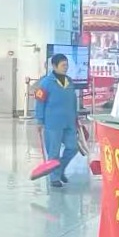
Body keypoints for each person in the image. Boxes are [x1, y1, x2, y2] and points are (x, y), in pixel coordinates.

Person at [35, 53, 80, 189]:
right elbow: (39, 102)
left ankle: (59, 170)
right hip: (53, 123)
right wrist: (39, 120)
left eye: (67, 65)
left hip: (69, 121)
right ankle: (54, 178)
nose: (66, 67)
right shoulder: (46, 83)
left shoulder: (69, 81)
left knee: (73, 147)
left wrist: (76, 118)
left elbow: (73, 101)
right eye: (63, 65)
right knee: (53, 152)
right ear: (54, 66)